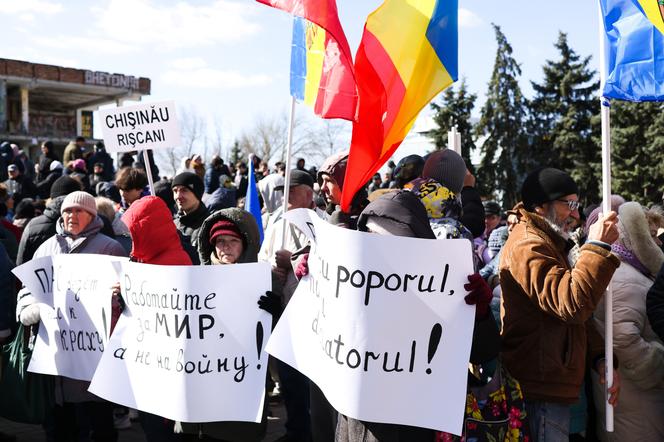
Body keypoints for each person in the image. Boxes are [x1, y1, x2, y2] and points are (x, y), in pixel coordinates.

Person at [335, 190, 496, 442]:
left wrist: (480, 312)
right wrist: (313, 282)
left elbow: (482, 352)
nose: (382, 250)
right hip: (358, 426)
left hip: (417, 427)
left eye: (391, 241)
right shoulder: (350, 284)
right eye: (371, 238)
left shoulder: (441, 287)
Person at [499, 167, 621, 441]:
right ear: (541, 206)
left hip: (551, 382)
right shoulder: (529, 245)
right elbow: (572, 304)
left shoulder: (549, 242)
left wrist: (600, 356)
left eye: (577, 205)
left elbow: (577, 318)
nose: (576, 215)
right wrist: (598, 245)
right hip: (539, 388)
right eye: (570, 205)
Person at [16, 191, 126, 442]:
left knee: (98, 424)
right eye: (67, 211)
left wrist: (117, 298)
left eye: (78, 211)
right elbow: (27, 290)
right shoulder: (47, 247)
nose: (71, 216)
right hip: (54, 357)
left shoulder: (110, 249)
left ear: (92, 215)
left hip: (94, 360)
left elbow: (127, 302)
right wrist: (29, 310)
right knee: (58, 428)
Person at [180, 207, 281, 441]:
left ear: (245, 243)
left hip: (244, 379)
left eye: (233, 240)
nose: (225, 247)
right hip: (206, 377)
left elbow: (280, 338)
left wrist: (276, 313)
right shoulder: (195, 278)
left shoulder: (264, 278)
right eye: (220, 241)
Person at [591, 202, 664, 440]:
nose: (658, 243)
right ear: (637, 237)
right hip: (635, 398)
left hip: (631, 397)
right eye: (652, 236)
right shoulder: (624, 277)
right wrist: (657, 362)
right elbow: (623, 338)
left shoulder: (628, 271)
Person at [16, 175, 81, 264]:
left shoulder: (33, 225)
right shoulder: (93, 223)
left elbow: (21, 266)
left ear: (52, 198)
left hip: (41, 276)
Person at [172, 172, 209, 255]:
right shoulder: (172, 225)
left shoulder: (209, 226)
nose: (178, 196)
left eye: (184, 190)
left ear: (197, 194)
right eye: (175, 191)